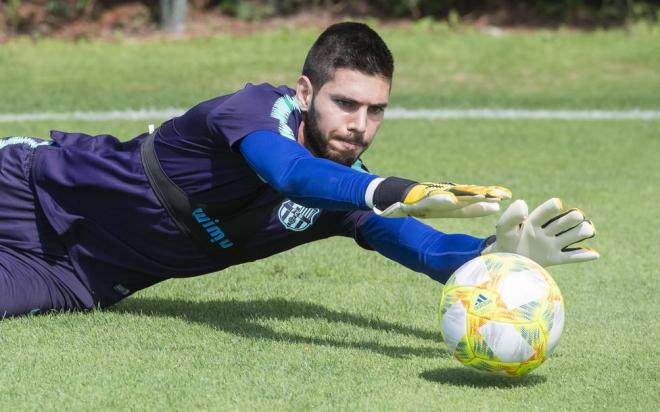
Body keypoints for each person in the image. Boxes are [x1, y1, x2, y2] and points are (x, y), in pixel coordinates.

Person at [0, 22, 598, 318]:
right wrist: (396, 189)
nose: (360, 125)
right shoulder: (254, 110)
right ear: (307, 92)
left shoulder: (345, 194)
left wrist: (498, 258)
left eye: (375, 110)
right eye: (346, 104)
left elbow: (423, 249)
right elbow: (287, 173)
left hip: (76, 279)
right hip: (26, 187)